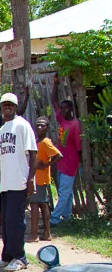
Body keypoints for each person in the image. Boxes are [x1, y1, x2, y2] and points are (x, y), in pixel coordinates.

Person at [0, 92, 37, 271]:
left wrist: (31, 179)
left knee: (16, 220)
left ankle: (20, 257)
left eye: (10, 105)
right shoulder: (2, 129)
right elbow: (0, 161)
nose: (7, 107)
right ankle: (7, 256)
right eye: (4, 105)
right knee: (7, 222)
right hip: (6, 183)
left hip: (20, 181)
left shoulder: (23, 126)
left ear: (15, 107)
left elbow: (33, 154)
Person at [49, 79, 82, 225]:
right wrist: (55, 84)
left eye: (64, 109)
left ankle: (54, 218)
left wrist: (77, 165)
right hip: (61, 162)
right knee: (66, 193)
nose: (60, 111)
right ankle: (67, 217)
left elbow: (79, 148)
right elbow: (54, 101)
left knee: (63, 192)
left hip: (70, 163)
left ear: (70, 109)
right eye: (61, 109)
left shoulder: (75, 125)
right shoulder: (62, 120)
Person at [27, 117, 61, 243]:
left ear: (47, 127)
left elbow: (58, 155)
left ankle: (34, 235)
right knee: (43, 204)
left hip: (40, 179)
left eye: (42, 126)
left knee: (35, 204)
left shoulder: (46, 142)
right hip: (37, 178)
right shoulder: (38, 141)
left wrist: (46, 165)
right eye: (37, 125)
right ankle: (47, 233)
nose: (39, 128)